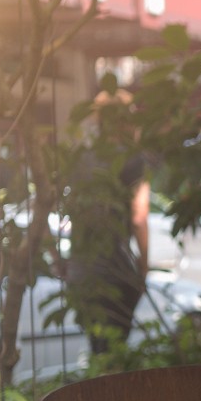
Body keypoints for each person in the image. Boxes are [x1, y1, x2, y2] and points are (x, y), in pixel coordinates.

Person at [66, 89, 151, 354]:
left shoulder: (80, 158)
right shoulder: (135, 159)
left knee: (97, 348)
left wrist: (61, 262)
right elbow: (139, 217)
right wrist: (144, 266)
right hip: (116, 269)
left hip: (81, 270)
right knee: (115, 353)